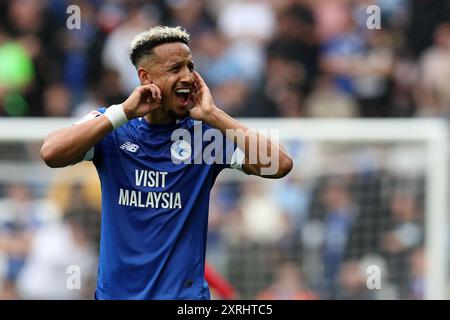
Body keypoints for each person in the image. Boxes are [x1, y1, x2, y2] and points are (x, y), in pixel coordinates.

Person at [40, 25, 293, 300]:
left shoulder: (204, 136)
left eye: (190, 66)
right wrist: (122, 113)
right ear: (145, 77)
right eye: (175, 69)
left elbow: (280, 164)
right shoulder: (112, 127)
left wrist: (214, 114)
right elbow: (51, 152)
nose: (188, 76)